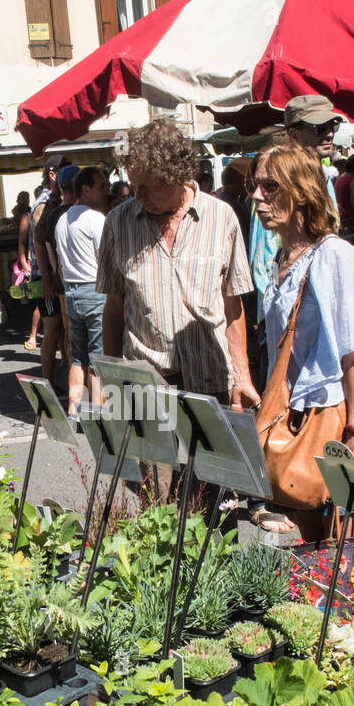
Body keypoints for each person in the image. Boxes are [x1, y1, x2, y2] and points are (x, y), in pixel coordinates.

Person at [100, 120, 259, 466]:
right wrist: (110, 377)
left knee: (211, 490)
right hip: (145, 379)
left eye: (147, 187)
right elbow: (113, 306)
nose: (136, 195)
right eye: (133, 184)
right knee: (155, 495)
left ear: (176, 178)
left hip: (209, 376)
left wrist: (241, 375)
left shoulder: (221, 218)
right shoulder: (118, 223)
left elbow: (233, 305)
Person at [250, 143, 354, 539]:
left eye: (270, 186)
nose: (256, 196)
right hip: (293, 415)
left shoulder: (332, 253)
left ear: (301, 191)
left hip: (333, 417)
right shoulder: (281, 257)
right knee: (311, 533)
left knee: (349, 546)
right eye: (255, 185)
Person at [53, 165, 110, 416]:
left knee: (78, 356)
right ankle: (98, 414)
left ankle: (74, 410)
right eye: (101, 186)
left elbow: (59, 263)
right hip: (94, 291)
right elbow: (105, 259)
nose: (106, 190)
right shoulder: (95, 218)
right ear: (85, 189)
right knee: (98, 357)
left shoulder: (61, 219)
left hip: (71, 292)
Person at [37, 166, 80, 374]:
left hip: (60, 284)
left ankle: (54, 382)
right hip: (77, 286)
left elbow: (43, 246)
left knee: (61, 335)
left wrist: (49, 275)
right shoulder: (83, 213)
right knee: (75, 339)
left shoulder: (51, 214)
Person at [12, 191, 41, 351]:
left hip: (45, 264)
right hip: (33, 263)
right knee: (40, 301)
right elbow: (21, 242)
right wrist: (23, 262)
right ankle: (33, 334)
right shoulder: (27, 216)